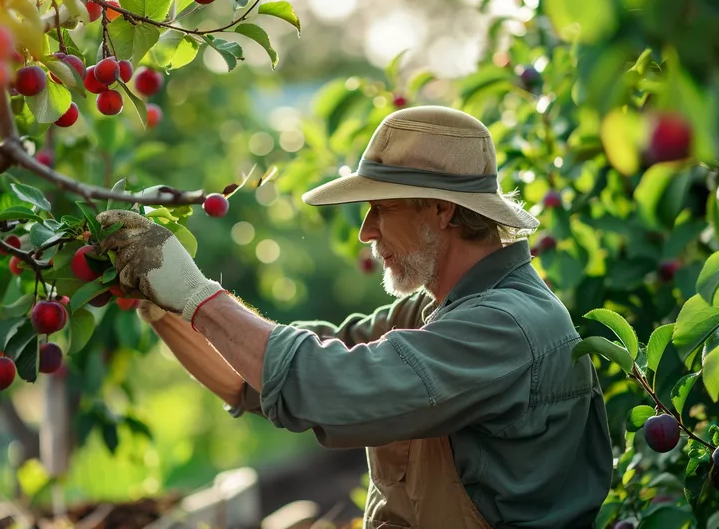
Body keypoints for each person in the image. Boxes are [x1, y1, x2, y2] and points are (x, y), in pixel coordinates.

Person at [96, 106, 614, 529]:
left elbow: (327, 386)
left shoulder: (505, 328)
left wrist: (194, 293)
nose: (366, 231)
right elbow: (255, 379)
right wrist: (161, 304)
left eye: (381, 208)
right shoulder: (438, 310)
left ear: (442, 211)